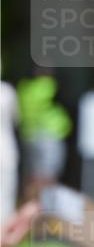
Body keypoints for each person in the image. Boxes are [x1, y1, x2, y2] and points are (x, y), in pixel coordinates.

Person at [17, 70, 71, 198]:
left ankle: (30, 206)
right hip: (50, 136)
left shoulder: (24, 87)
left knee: (32, 176)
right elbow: (64, 102)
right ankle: (45, 208)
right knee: (48, 176)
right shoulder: (50, 85)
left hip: (29, 136)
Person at [1, 80, 19, 223]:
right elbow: (16, 118)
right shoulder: (7, 91)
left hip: (6, 147)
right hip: (6, 147)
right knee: (6, 191)